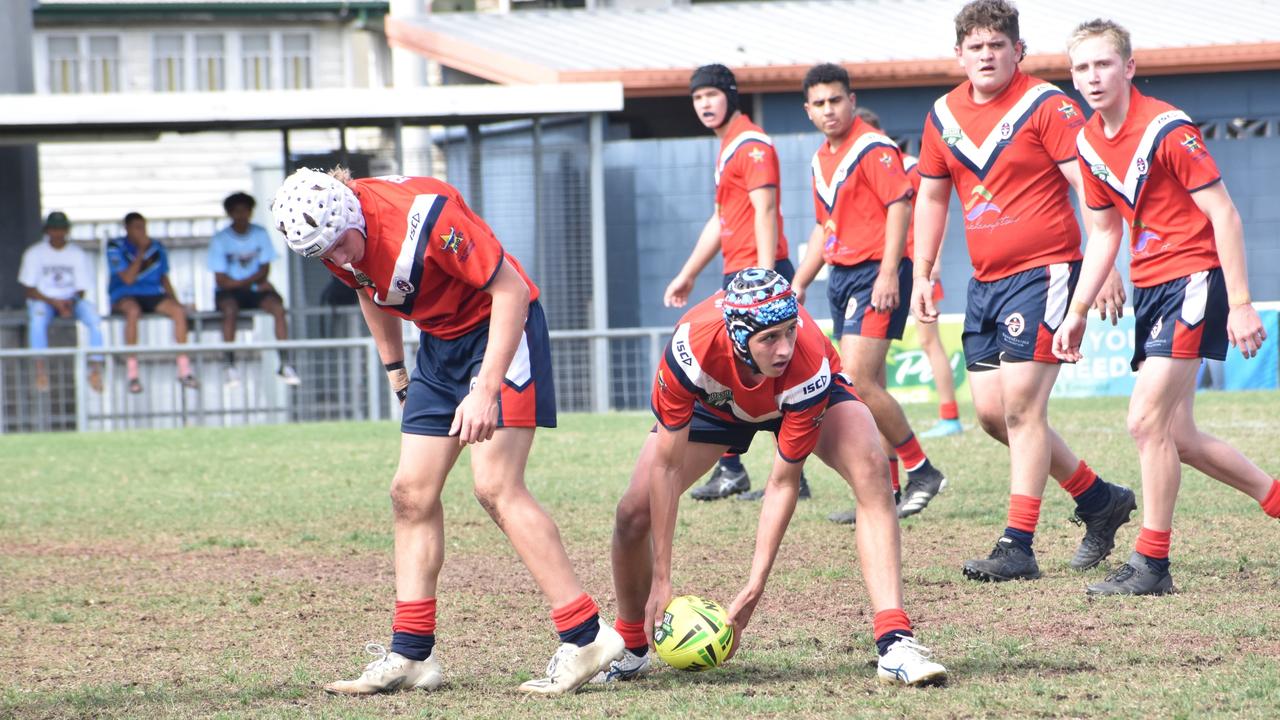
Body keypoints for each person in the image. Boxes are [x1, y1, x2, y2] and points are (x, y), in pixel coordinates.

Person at [271, 168, 623, 696]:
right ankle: (412, 656)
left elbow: (509, 289)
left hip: (503, 330)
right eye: (325, 256)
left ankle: (587, 635)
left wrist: (485, 388)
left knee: (495, 485)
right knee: (410, 493)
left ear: (350, 214)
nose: (338, 260)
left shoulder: (425, 216)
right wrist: (398, 374)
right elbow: (372, 290)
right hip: (439, 347)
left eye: (340, 246)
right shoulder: (333, 241)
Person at [594, 268, 947, 687]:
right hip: (719, 403)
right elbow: (666, 467)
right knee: (632, 514)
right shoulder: (690, 347)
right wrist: (663, 578)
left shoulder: (805, 360)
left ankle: (895, 643)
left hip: (796, 397)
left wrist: (755, 583)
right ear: (739, 338)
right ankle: (632, 647)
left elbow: (783, 482)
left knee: (871, 467)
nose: (783, 348)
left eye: (789, 331)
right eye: (769, 339)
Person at [910, 0, 1135, 581]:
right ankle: (1098, 499)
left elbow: (1086, 186)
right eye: (976, 47)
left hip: (1047, 271)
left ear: (1019, 51)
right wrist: (923, 269)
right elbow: (933, 196)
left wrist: (1101, 264)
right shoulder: (942, 116)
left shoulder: (1048, 105)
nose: (987, 55)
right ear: (958, 54)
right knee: (990, 415)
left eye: (997, 45)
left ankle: (1018, 546)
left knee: (1020, 409)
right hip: (984, 283)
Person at [1054, 19, 1280, 595]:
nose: (1092, 76)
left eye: (1103, 64)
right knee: (1179, 437)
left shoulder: (1168, 128)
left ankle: (1152, 564)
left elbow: (1224, 215)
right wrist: (1077, 310)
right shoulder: (1085, 142)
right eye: (1081, 67)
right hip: (1152, 289)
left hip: (1193, 280)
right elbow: (1104, 234)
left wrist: (1243, 304)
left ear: (1128, 67)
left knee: (1144, 421)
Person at [790, 66, 947, 528]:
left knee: (855, 381)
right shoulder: (820, 159)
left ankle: (922, 470)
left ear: (851, 101)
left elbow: (899, 205)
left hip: (872, 274)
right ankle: (889, 490)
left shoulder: (873, 147)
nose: (828, 110)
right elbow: (825, 227)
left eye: (835, 100)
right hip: (840, 275)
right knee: (868, 388)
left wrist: (887, 273)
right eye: (818, 103)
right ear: (808, 110)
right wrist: (800, 280)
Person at [665, 64, 808, 502]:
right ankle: (731, 468)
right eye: (697, 97)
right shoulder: (729, 147)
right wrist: (688, 273)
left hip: (759, 277)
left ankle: (791, 475)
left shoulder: (751, 143)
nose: (704, 103)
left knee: (776, 374)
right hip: (741, 276)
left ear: (730, 95)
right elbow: (722, 219)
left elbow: (765, 210)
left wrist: (766, 280)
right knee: (730, 369)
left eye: (712, 93)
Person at [208, 191, 301, 387]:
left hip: (254, 288)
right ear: (230, 213)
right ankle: (230, 364)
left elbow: (264, 269)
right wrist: (249, 282)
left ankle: (285, 363)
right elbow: (221, 280)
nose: (242, 216)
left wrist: (246, 282)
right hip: (234, 291)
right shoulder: (220, 239)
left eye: (246, 211)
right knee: (230, 310)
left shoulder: (260, 233)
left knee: (277, 307)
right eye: (237, 211)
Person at [107, 212, 199, 393]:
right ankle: (132, 373)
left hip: (151, 293)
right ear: (126, 228)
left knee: (178, 312)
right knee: (133, 311)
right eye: (137, 228)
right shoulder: (115, 247)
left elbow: (164, 278)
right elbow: (127, 279)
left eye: (144, 227)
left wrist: (176, 301)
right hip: (124, 294)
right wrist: (141, 252)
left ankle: (184, 369)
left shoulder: (156, 247)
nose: (142, 232)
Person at [18, 211, 105, 393]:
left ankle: (96, 369)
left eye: (61, 229)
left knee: (94, 318)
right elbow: (29, 289)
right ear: (47, 231)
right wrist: (54, 302)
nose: (57, 233)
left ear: (67, 230)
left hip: (71, 300)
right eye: (53, 229)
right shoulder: (34, 254)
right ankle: (40, 371)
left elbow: (82, 288)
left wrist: (69, 302)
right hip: (44, 300)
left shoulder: (77, 254)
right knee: (38, 319)